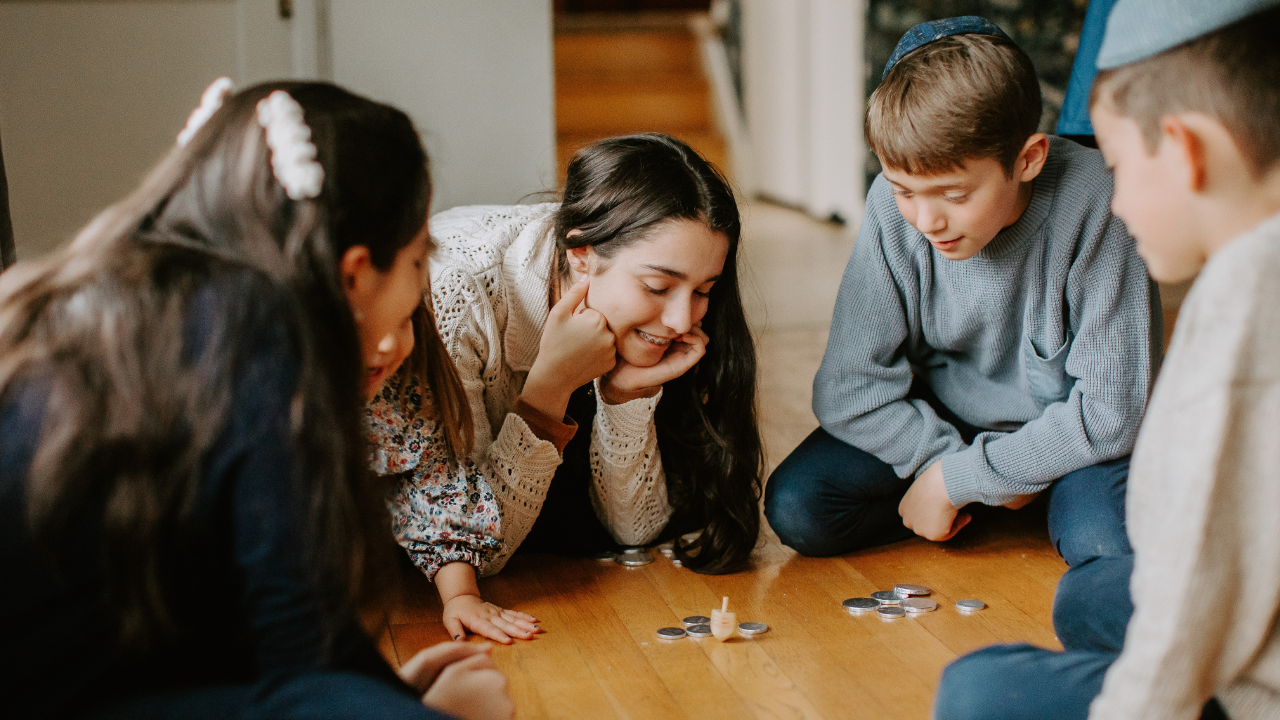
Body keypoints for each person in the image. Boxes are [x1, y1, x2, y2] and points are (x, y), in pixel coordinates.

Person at [0, 79, 512, 720]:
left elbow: (280, 642)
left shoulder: (142, 306)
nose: (421, 283)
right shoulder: (255, 335)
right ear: (355, 272)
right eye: (418, 258)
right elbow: (297, 664)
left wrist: (379, 695)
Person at [934, 1, 1280, 718]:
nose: (1114, 203)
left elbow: (1190, 604)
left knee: (978, 694)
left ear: (1186, 150)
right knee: (1093, 596)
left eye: (1119, 168)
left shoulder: (1245, 320)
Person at [764, 17, 1160, 570]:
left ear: (1028, 159)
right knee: (799, 507)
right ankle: (998, 501)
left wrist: (962, 479)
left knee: (1104, 545)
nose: (926, 219)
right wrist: (952, 466)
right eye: (905, 191)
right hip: (948, 424)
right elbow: (847, 388)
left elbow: (1112, 412)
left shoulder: (1097, 201)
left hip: (1070, 436)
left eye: (952, 194)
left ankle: (996, 497)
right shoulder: (893, 206)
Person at [368, 133, 763, 643]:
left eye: (704, 290)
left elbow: (635, 533)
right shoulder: (451, 297)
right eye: (658, 287)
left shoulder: (665, 311)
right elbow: (474, 551)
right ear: (580, 257)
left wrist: (626, 398)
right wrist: (548, 389)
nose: (681, 318)